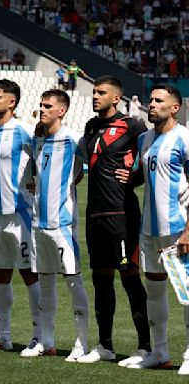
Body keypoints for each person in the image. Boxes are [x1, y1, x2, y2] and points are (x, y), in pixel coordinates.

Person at [78, 76, 150, 365]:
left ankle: (145, 346)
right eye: (94, 91)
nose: (95, 96)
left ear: (116, 98)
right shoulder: (91, 126)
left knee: (130, 277)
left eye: (101, 92)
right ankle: (105, 345)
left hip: (121, 214)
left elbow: (150, 158)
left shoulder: (133, 126)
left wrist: (135, 177)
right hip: (94, 214)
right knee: (100, 280)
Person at [0, 80, 41, 352]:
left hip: (21, 214)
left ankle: (39, 336)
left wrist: (38, 183)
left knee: (29, 275)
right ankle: (4, 336)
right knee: (0, 275)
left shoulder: (25, 131)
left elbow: (47, 158)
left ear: (12, 102)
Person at [125, 84, 189, 374]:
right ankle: (159, 352)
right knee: (155, 292)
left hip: (178, 228)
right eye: (150, 100)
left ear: (174, 107)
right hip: (149, 228)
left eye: (158, 101)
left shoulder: (185, 138)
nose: (151, 104)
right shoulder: (145, 139)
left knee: (186, 292)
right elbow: (143, 175)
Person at [24, 89, 89, 362]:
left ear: (62, 110)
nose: (43, 110)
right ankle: (46, 340)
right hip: (38, 223)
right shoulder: (37, 139)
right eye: (41, 105)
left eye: (48, 106)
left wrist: (73, 182)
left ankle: (81, 343)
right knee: (46, 283)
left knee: (73, 282)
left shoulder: (74, 139)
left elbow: (88, 168)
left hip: (62, 223)